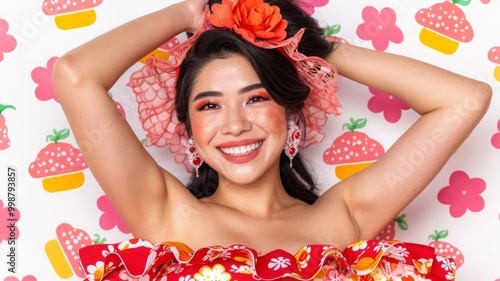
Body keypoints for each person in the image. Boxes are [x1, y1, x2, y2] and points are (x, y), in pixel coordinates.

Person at [52, 0, 491, 279]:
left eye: (256, 98)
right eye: (209, 106)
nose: (236, 124)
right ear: (187, 127)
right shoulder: (166, 214)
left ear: (290, 113)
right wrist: (189, 13)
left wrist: (312, 47)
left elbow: (465, 100)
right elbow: (75, 76)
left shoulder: (345, 218)